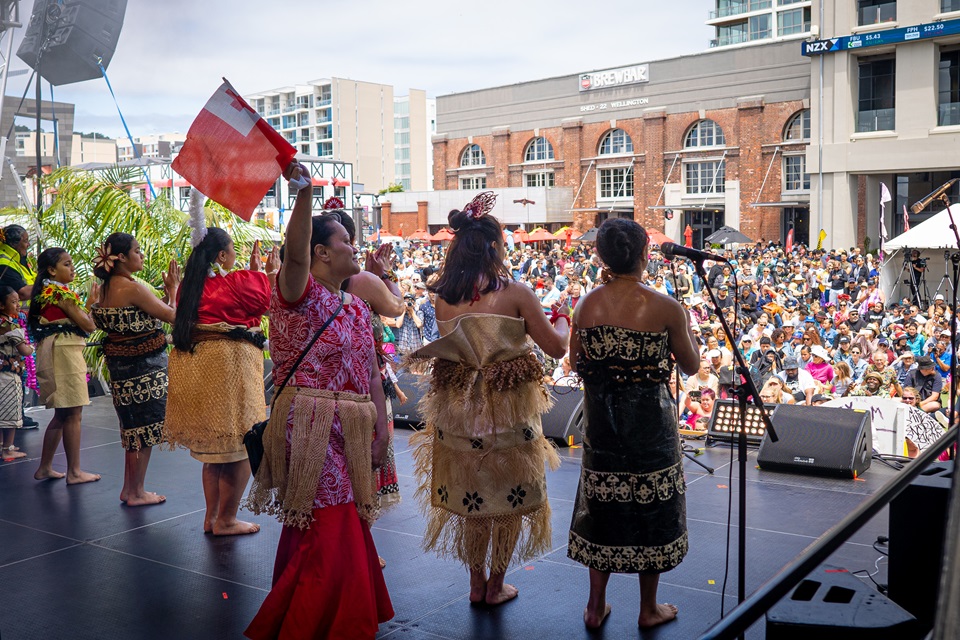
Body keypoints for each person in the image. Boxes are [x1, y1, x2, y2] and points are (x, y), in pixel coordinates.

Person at [245, 163, 393, 638]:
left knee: (328, 519)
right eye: (346, 241)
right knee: (330, 521)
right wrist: (305, 193)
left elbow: (371, 372)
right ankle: (319, 622)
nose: (355, 246)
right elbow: (293, 255)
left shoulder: (353, 305)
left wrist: (383, 429)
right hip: (308, 424)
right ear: (322, 254)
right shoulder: (297, 293)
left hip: (352, 425)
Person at [406, 191, 567, 607]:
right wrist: (564, 320)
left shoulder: (442, 296)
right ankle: (496, 586)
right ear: (494, 247)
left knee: (472, 495)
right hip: (507, 410)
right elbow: (556, 348)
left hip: (459, 410)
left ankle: (476, 584)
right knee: (509, 495)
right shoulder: (516, 293)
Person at [568, 218, 700, 630]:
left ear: (602, 255)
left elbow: (576, 363)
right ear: (645, 253)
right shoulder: (664, 306)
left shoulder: (586, 305)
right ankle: (648, 609)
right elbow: (692, 365)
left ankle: (594, 607)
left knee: (602, 508)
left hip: (602, 428)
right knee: (652, 510)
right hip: (651, 429)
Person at [165, 228, 275, 534]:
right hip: (230, 367)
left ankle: (212, 517)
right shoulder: (237, 281)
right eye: (232, 251)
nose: (236, 257)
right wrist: (266, 272)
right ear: (222, 256)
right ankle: (226, 520)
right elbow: (266, 302)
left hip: (202, 367)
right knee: (239, 447)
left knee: (214, 453)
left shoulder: (190, 285)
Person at [91, 233, 178, 506]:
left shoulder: (106, 288)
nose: (141, 255)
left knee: (132, 430)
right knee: (145, 429)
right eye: (137, 251)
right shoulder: (132, 287)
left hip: (121, 367)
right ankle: (136, 491)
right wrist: (174, 291)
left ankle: (131, 489)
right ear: (122, 258)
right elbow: (171, 315)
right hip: (143, 369)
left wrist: (165, 296)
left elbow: (139, 316)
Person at [28, 248, 100, 484]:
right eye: (67, 264)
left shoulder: (49, 292)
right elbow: (88, 326)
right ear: (51, 270)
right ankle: (75, 472)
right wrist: (92, 305)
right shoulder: (61, 294)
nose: (72, 268)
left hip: (59, 349)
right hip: (64, 352)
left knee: (62, 413)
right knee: (73, 412)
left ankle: (45, 467)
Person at [0, 286, 32, 459]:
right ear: (1, 305)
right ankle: (8, 449)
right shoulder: (10, 326)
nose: (18, 305)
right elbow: (25, 351)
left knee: (0, 412)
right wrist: (32, 347)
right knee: (9, 413)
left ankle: (1, 446)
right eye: (13, 302)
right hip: (8, 376)